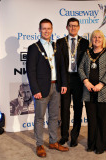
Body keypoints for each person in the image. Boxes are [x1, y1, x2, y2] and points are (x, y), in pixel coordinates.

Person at [26, 18, 69, 158]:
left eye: (49, 28)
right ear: (39, 30)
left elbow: (62, 67)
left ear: (52, 30)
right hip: (41, 89)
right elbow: (31, 71)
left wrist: (63, 84)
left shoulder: (56, 46)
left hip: (56, 86)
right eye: (43, 28)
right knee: (39, 118)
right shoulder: (33, 48)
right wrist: (35, 90)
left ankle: (52, 142)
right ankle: (39, 144)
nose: (46, 31)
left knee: (54, 117)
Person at [78, 30, 106, 154]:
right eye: (95, 37)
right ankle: (92, 144)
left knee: (102, 120)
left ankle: (101, 146)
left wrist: (101, 84)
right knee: (92, 120)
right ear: (92, 39)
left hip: (104, 92)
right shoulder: (87, 53)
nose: (97, 39)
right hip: (90, 93)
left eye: (99, 37)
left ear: (103, 39)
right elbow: (80, 68)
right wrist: (86, 82)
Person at [56, 17, 89, 147]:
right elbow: (58, 64)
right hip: (65, 79)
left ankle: (74, 136)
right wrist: (61, 81)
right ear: (66, 27)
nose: (73, 28)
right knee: (64, 109)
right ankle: (64, 135)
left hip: (79, 79)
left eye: (75, 26)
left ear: (79, 27)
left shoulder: (85, 42)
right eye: (70, 25)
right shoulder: (59, 42)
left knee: (78, 108)